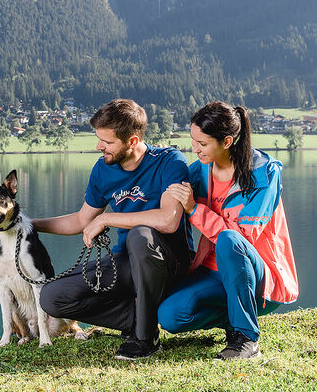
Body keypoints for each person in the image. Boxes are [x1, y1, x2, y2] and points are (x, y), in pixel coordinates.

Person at [34, 99, 193, 360]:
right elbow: (80, 220)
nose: (99, 146)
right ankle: (137, 319)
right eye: (99, 139)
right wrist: (27, 224)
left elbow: (168, 220)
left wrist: (107, 218)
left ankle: (145, 338)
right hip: (127, 262)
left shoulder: (169, 161)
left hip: (167, 262)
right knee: (52, 297)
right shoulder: (103, 169)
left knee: (140, 235)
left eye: (107, 142)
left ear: (132, 141)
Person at [158, 101, 298, 360]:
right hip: (212, 273)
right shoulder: (200, 170)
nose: (195, 149)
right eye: (193, 141)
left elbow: (243, 238)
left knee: (230, 239)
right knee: (170, 316)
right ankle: (234, 318)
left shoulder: (264, 174)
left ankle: (246, 338)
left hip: (258, 276)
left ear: (227, 141)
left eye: (202, 143)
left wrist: (194, 209)